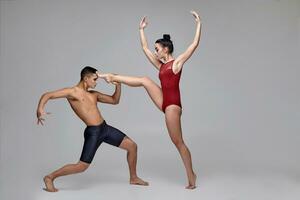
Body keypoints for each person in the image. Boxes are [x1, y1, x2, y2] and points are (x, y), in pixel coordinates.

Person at [99, 11, 202, 189]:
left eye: (157, 49)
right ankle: (112, 77)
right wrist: (141, 30)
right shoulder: (161, 66)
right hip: (163, 99)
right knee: (145, 80)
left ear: (166, 49)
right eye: (155, 49)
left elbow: (193, 45)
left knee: (178, 142)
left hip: (172, 106)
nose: (155, 52)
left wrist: (199, 24)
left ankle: (191, 175)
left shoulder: (176, 64)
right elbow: (145, 49)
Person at [36, 66, 148, 192]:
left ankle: (133, 177)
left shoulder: (93, 94)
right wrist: (40, 109)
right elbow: (48, 95)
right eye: (94, 79)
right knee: (82, 166)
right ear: (86, 78)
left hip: (105, 129)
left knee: (132, 146)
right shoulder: (73, 92)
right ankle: (50, 177)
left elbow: (114, 100)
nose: (96, 82)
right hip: (93, 133)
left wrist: (118, 84)